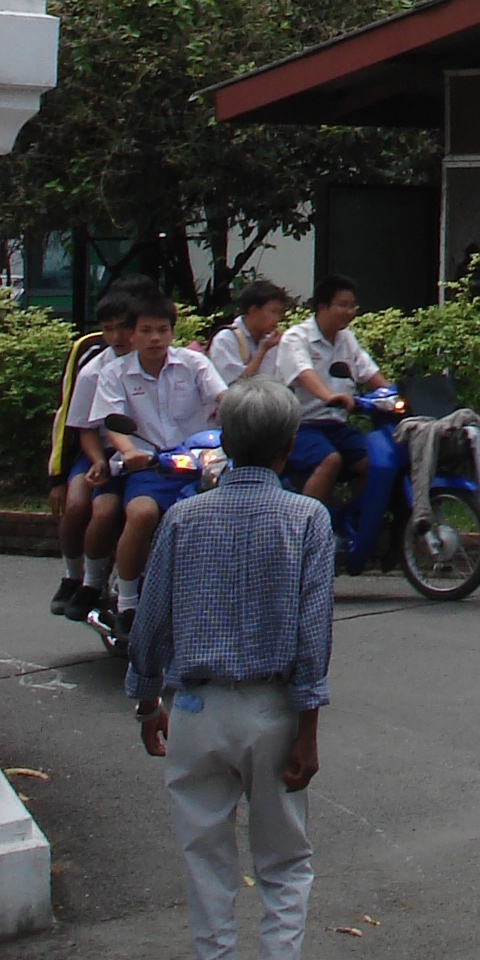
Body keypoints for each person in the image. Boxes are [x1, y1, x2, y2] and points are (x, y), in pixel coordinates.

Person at [127, 378, 332, 960]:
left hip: (195, 707)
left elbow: (152, 620)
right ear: (287, 446)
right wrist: (308, 730)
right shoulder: (307, 519)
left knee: (205, 860)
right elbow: (311, 636)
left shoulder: (184, 519)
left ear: (226, 445)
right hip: (272, 709)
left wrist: (148, 702)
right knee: (285, 862)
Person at [87, 292, 227, 648]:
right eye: (146, 330)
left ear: (172, 332)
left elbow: (225, 400)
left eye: (162, 330)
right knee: (142, 513)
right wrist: (131, 452)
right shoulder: (114, 373)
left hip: (199, 465)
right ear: (131, 334)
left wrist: (249, 420)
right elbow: (113, 424)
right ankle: (129, 604)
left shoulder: (194, 365)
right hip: (149, 468)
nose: (154, 338)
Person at [48, 285, 141, 620]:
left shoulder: (174, 362)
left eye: (124, 327)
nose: (117, 336)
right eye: (108, 328)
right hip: (103, 453)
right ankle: (80, 578)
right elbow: (84, 428)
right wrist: (98, 461)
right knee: (81, 504)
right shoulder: (94, 370)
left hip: (150, 456)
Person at [275, 278, 381, 507]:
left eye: (353, 306)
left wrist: (393, 396)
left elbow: (370, 373)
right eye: (343, 305)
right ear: (322, 307)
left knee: (378, 461)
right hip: (300, 427)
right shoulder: (295, 338)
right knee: (330, 460)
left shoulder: (347, 339)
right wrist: (328, 396)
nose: (350, 312)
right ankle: (304, 526)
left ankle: (354, 521)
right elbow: (304, 372)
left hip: (337, 427)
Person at [208, 281, 291, 391]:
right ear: (253, 310)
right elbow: (236, 388)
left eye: (278, 313)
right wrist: (262, 350)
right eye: (273, 312)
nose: (277, 319)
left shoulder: (272, 341)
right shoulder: (226, 340)